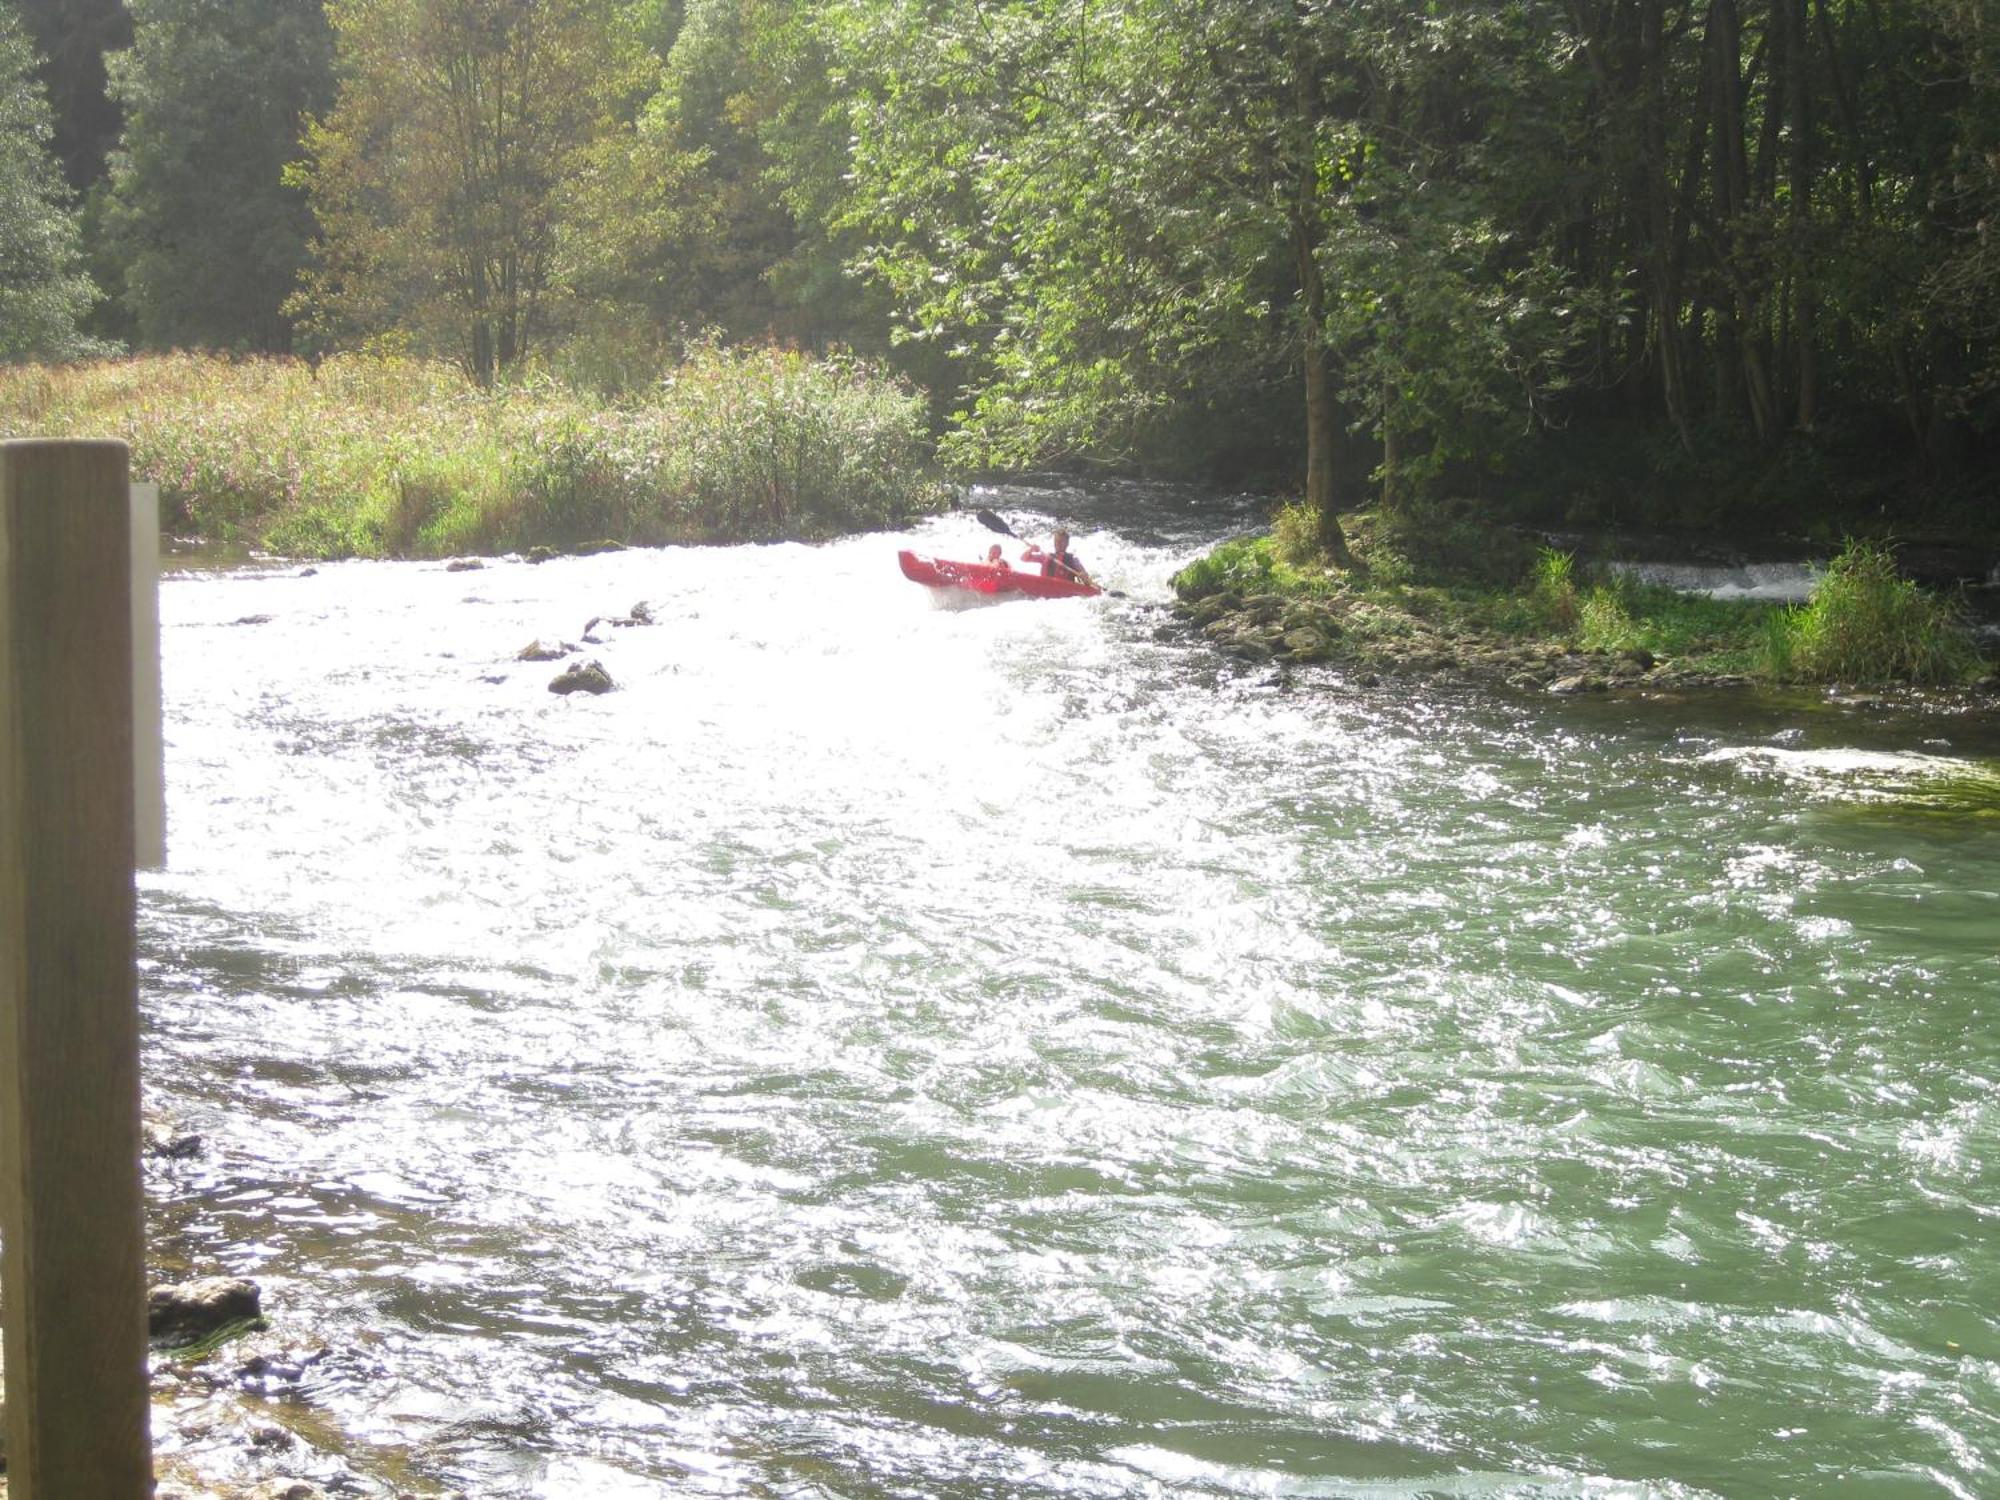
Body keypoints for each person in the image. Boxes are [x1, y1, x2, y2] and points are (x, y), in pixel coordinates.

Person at [1022, 526, 1090, 585]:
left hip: (1064, 593)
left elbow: (1086, 579)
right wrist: (1030, 550)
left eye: (1060, 541)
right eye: (1056, 541)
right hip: (1045, 589)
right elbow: (1024, 558)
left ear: (1067, 544)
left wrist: (1083, 576)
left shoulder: (1073, 560)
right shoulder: (1046, 557)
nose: (1057, 544)